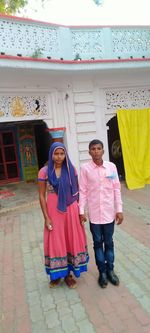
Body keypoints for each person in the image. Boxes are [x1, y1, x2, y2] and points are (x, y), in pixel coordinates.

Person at [38, 142, 89, 289]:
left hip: (71, 209)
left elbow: (78, 192)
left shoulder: (70, 169)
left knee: (70, 239)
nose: (59, 157)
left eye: (62, 154)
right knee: (55, 240)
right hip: (54, 211)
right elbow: (41, 196)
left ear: (65, 154)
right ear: (51, 154)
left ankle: (68, 275)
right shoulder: (44, 172)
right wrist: (46, 217)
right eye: (56, 154)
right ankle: (56, 275)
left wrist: (81, 212)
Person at [79, 139, 123, 288]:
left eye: (99, 148)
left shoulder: (111, 167)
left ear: (103, 151)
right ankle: (102, 273)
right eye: (93, 149)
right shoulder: (85, 169)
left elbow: (117, 189)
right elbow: (83, 191)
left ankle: (111, 271)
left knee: (109, 243)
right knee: (98, 244)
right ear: (89, 152)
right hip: (95, 216)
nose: (96, 151)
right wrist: (81, 211)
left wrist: (119, 210)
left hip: (109, 214)